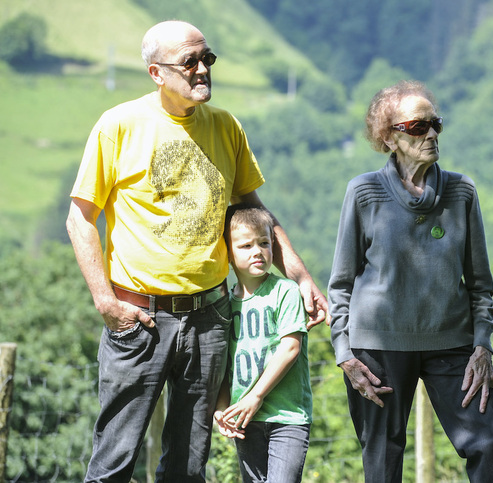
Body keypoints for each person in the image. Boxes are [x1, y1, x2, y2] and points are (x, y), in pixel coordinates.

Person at [65, 20, 326, 483]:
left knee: (188, 466)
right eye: (190, 61)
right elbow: (81, 217)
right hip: (138, 317)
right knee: (115, 460)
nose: (203, 69)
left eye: (208, 58)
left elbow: (252, 209)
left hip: (210, 317)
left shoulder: (226, 127)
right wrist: (106, 302)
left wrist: (301, 275)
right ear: (156, 72)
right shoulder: (119, 125)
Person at [327, 80, 493, 482]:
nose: (431, 133)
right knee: (382, 461)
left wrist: (482, 345)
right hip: (375, 350)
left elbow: (480, 284)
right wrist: (344, 353)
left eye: (436, 123)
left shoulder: (461, 192)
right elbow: (341, 282)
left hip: (453, 345)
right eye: (418, 126)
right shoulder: (363, 193)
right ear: (390, 137)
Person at [214, 203, 312, 483]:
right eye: (245, 246)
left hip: (287, 416)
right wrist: (222, 408)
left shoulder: (286, 291)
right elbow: (223, 363)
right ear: (228, 254)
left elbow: (290, 348)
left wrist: (255, 397)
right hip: (244, 418)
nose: (257, 251)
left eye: (264, 243)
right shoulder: (223, 305)